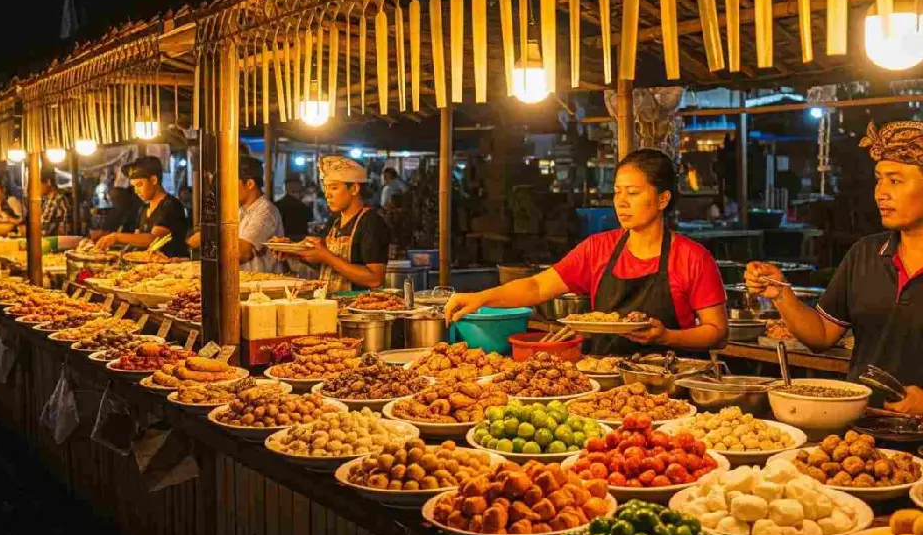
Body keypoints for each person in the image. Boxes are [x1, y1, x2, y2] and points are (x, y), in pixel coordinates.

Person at [445, 149, 728, 355]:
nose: (621, 202)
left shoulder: (693, 257)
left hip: (670, 384)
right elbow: (537, 286)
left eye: (632, 193)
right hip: (604, 382)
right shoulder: (598, 249)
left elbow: (717, 333)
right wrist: (481, 298)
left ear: (663, 199)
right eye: (617, 192)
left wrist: (667, 337)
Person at [745, 120, 923, 385]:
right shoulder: (865, 253)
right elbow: (822, 335)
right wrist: (781, 293)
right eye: (879, 180)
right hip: (861, 410)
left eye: (895, 181)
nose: (881, 193)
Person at [290, 155, 390, 292]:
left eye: (334, 188)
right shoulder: (335, 221)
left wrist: (326, 256)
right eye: (326, 188)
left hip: (357, 303)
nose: (327, 194)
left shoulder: (371, 222)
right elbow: (324, 264)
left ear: (354, 189)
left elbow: (375, 279)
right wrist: (293, 251)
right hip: (330, 301)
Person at [187, 158, 284, 272]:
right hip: (243, 279)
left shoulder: (265, 211)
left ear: (250, 184)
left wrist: (208, 237)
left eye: (230, 183)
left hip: (262, 281)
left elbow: (242, 252)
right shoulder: (241, 211)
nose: (226, 189)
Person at [95, 156, 189, 257]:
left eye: (139, 185)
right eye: (134, 186)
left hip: (171, 264)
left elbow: (154, 239)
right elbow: (137, 239)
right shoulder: (144, 209)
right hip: (148, 264)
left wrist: (116, 237)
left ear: (153, 180)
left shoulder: (170, 205)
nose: (136, 191)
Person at [275, 173, 313, 241]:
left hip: (282, 241)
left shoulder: (278, 205)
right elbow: (310, 219)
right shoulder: (302, 206)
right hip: (300, 242)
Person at [40, 170, 72, 236]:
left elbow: (63, 228)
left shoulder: (60, 199)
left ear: (48, 182)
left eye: (38, 184)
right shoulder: (44, 200)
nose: (37, 188)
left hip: (53, 240)